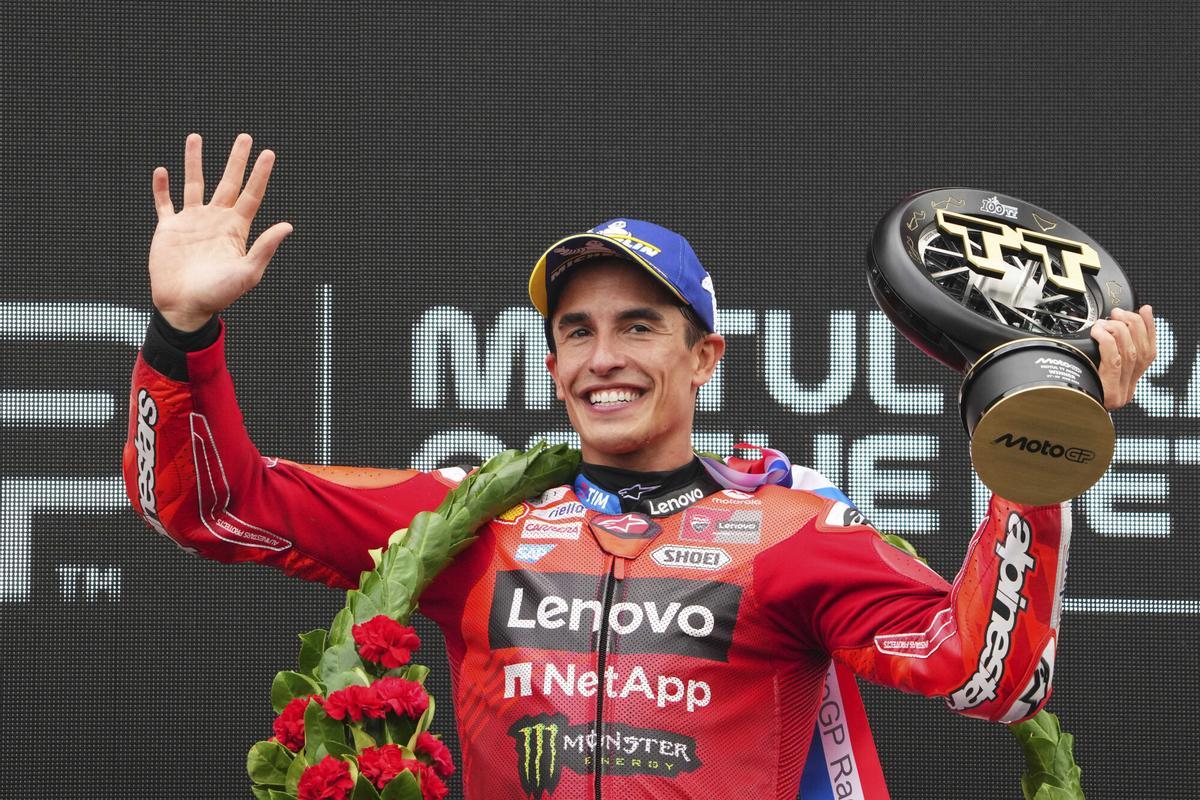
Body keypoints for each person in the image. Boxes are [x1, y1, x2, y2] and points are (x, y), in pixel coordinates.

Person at [125, 133, 1157, 800]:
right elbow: (212, 505)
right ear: (552, 366)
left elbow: (990, 676)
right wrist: (183, 331)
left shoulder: (796, 532)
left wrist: (1038, 446)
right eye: (576, 331)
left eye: (638, 325)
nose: (603, 356)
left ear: (705, 357)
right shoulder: (467, 524)